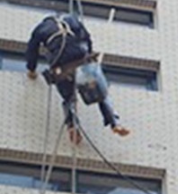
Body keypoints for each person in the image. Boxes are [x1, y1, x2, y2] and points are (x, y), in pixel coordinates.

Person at [25, 14, 130, 144]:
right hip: (81, 62)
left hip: (62, 68)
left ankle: (72, 126)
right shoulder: (72, 20)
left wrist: (31, 69)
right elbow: (87, 38)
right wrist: (90, 59)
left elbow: (32, 50)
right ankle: (114, 123)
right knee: (101, 94)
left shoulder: (41, 28)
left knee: (69, 98)